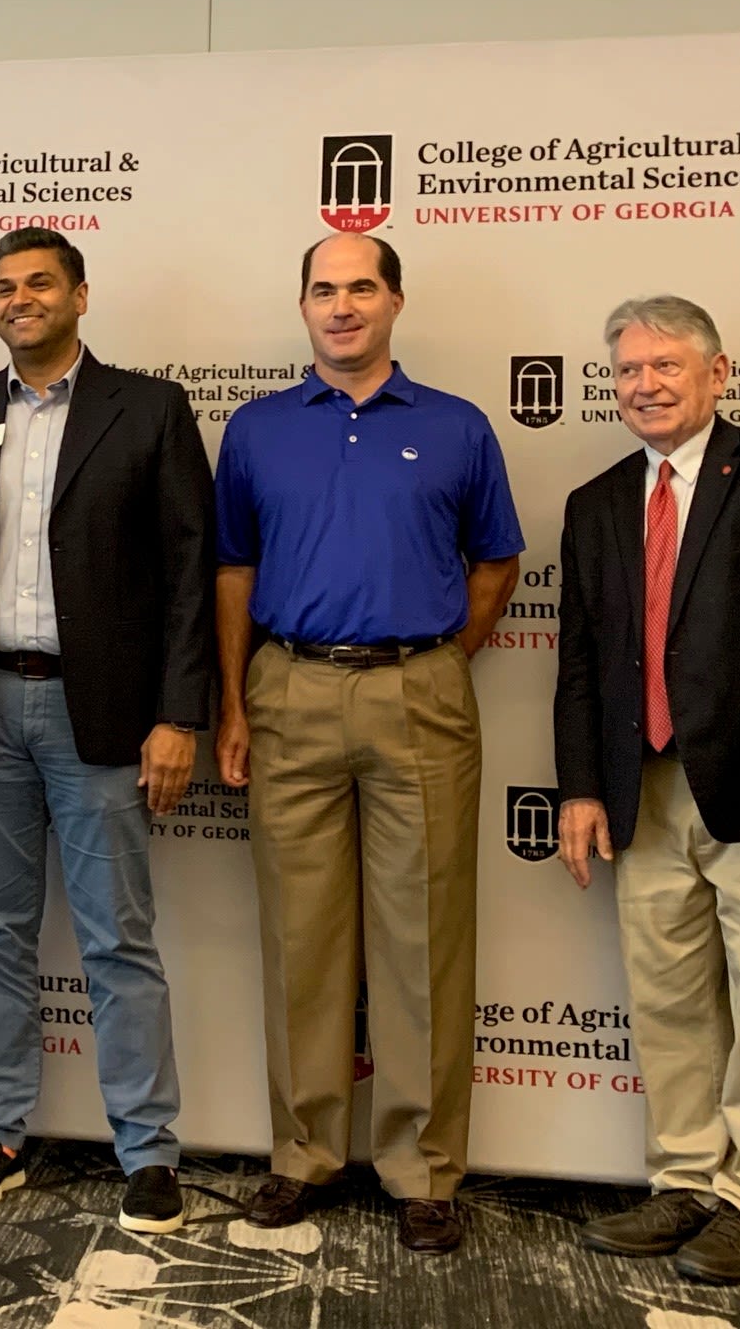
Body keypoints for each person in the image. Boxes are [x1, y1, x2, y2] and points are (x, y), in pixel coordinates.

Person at [0, 227, 214, 1234]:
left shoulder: (149, 410)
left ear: (80, 296)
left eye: (39, 283)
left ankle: (148, 1151)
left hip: (103, 713)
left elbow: (188, 577)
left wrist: (178, 714)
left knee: (119, 937)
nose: (19, 299)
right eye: (4, 287)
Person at [212, 233, 522, 1254]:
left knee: (423, 940)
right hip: (289, 687)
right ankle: (303, 1156)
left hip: (418, 691)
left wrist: (437, 660)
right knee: (302, 940)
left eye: (360, 288)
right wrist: (234, 705)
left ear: (394, 301)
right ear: (301, 307)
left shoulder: (458, 426)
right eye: (322, 290)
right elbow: (234, 576)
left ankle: (423, 1171)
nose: (341, 306)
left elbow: (496, 563)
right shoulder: (257, 430)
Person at [556, 296, 740, 1285]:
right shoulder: (597, 501)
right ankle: (684, 1180)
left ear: (718, 374)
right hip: (644, 792)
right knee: (671, 1003)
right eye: (627, 370)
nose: (642, 384)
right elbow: (583, 660)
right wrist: (583, 789)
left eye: (664, 367)